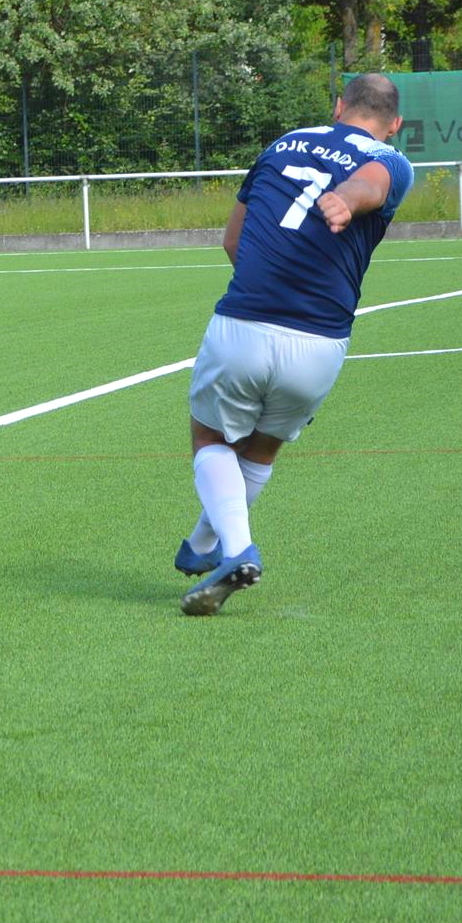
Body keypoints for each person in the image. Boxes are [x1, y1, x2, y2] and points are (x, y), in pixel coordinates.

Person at [177, 73, 414, 616]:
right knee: (261, 449)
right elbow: (373, 183)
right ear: (395, 124)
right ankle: (203, 545)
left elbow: (233, 240)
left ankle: (236, 550)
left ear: (338, 106)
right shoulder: (393, 160)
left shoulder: (282, 144)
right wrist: (347, 200)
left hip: (245, 325)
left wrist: (268, 280)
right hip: (321, 343)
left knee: (210, 437)